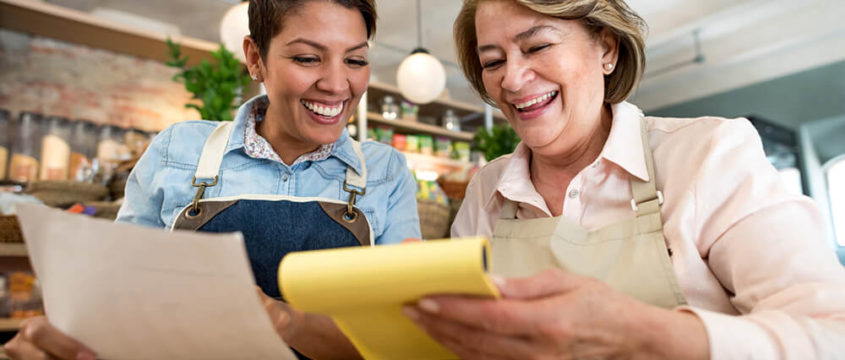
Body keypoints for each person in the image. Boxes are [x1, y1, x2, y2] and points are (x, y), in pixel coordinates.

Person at [402, 0, 845, 358]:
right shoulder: (487, 190)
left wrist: (645, 334)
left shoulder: (707, 155)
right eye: (493, 60)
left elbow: (831, 335)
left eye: (536, 47)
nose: (512, 79)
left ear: (607, 50)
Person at [4, 0, 419, 359]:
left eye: (356, 60)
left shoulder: (386, 173)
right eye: (308, 58)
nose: (335, 84)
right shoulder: (177, 151)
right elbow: (117, 308)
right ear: (255, 58)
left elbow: (402, 343)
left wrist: (280, 319)